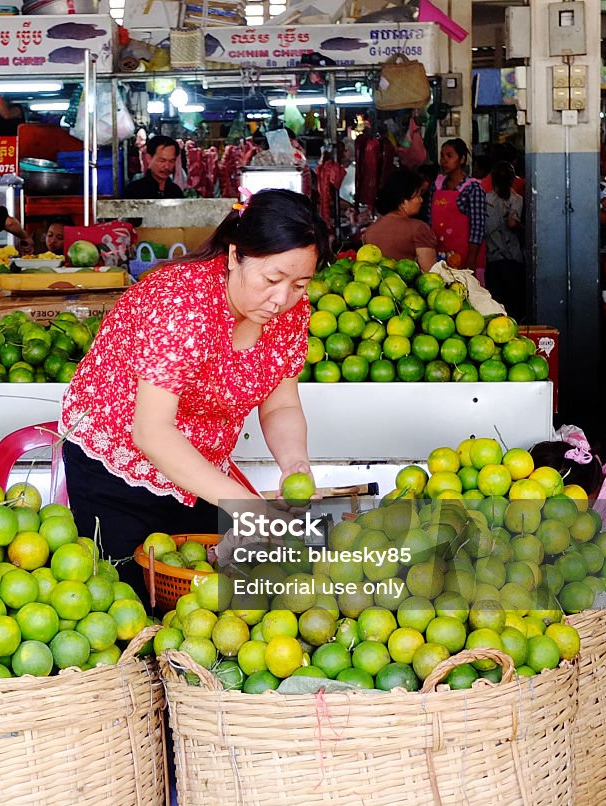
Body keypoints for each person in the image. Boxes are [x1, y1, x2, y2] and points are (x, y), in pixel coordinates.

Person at [58, 189, 328, 590]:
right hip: (117, 468)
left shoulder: (289, 315)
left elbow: (280, 405)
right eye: (272, 280)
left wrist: (294, 464)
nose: (282, 299)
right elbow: (152, 432)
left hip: (197, 470)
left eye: (300, 284)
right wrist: (247, 506)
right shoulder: (182, 303)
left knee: (206, 593)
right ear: (236, 255)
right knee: (132, 599)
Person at [422, 138, 487, 280]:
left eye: (449, 156)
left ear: (462, 159)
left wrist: (470, 263)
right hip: (440, 255)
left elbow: (478, 229)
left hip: (466, 256)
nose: (444, 160)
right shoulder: (436, 186)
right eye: (442, 155)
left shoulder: (473, 188)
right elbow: (429, 221)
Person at [362, 169, 438, 272]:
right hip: (407, 287)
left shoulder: (370, 231)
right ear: (403, 202)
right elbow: (431, 273)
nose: (421, 200)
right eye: (418, 196)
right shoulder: (419, 229)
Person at [483, 161, 526, 321]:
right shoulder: (516, 199)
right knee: (509, 301)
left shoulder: (489, 199)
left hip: (501, 258)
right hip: (505, 258)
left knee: (502, 301)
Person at [124, 136, 184, 200]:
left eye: (171, 161)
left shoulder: (176, 192)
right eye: (162, 161)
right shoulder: (134, 191)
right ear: (149, 158)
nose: (167, 166)